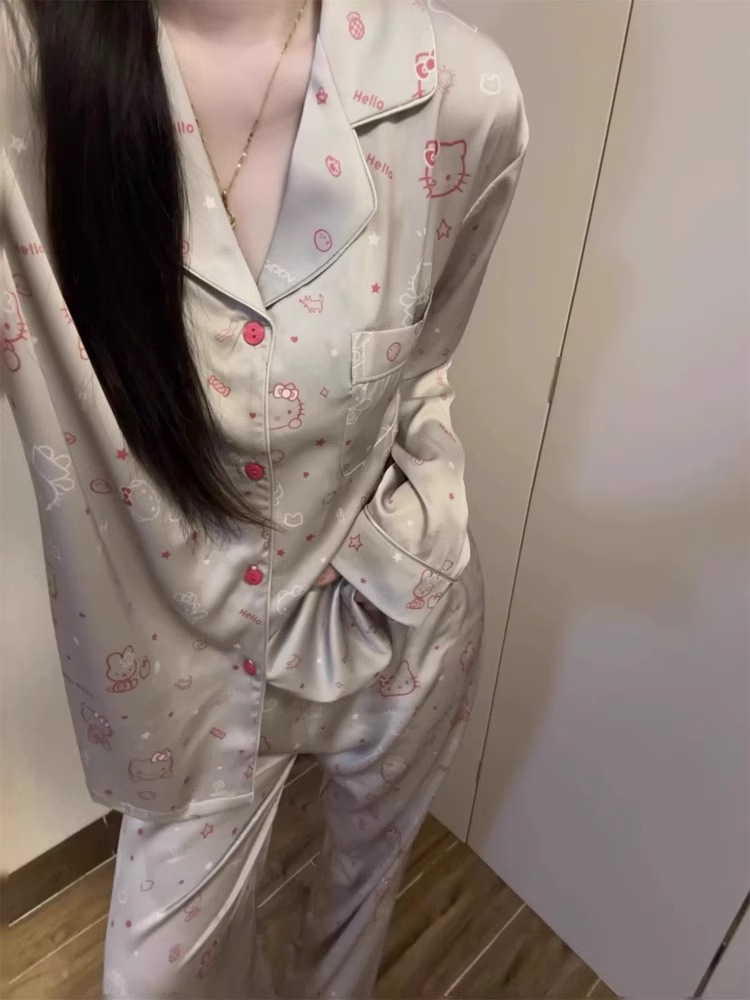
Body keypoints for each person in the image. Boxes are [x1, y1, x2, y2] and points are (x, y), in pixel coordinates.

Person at [0, 0, 527, 995]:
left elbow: (426, 361)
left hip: (398, 618)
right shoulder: (28, 70)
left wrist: (422, 529)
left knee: (354, 926)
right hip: (191, 681)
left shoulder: (465, 92)